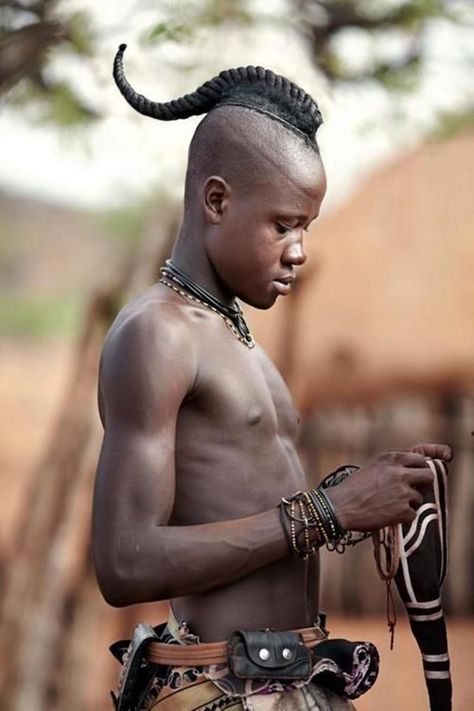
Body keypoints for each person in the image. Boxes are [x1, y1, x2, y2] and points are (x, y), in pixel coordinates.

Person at [92, 45, 453, 711]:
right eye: (283, 223)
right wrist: (327, 512)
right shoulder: (157, 334)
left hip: (294, 683)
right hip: (218, 691)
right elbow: (124, 560)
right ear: (217, 200)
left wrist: (360, 493)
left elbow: (246, 500)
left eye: (307, 225)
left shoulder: (237, 335)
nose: (300, 250)